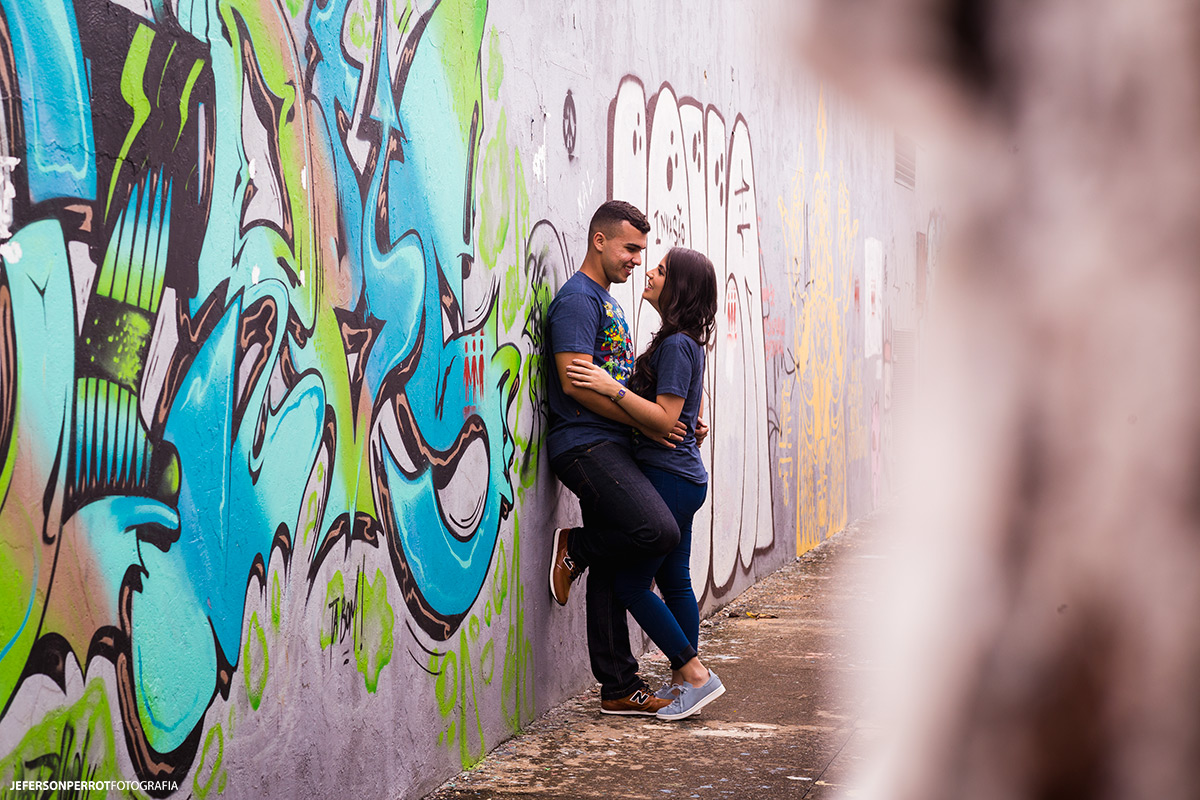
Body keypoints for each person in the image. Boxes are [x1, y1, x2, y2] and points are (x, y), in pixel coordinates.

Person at [565, 246, 724, 721]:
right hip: (682, 476)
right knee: (674, 579)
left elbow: (665, 417)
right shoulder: (681, 341)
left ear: (679, 288)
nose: (649, 272)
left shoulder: (676, 345)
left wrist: (606, 384)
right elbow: (680, 414)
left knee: (631, 585)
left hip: (668, 476)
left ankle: (695, 675)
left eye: (660, 270)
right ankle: (683, 684)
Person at [545, 200, 685, 716]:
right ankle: (576, 545)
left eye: (641, 251)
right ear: (599, 241)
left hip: (610, 444)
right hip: (585, 445)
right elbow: (575, 383)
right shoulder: (579, 301)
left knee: (620, 557)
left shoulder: (606, 300)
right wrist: (644, 419)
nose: (635, 259)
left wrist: (666, 422)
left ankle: (618, 687)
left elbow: (617, 382)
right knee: (658, 529)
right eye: (630, 248)